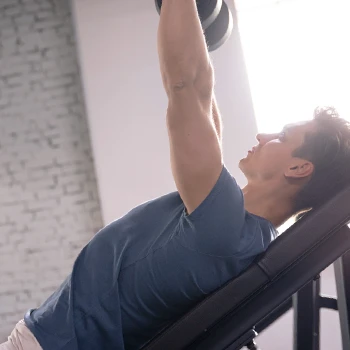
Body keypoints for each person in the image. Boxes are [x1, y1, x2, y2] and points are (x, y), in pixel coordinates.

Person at [1, 1, 350, 350]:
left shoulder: (225, 225)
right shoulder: (246, 236)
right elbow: (202, 97)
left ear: (298, 168)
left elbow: (186, 85)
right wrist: (194, 31)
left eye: (283, 137)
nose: (263, 136)